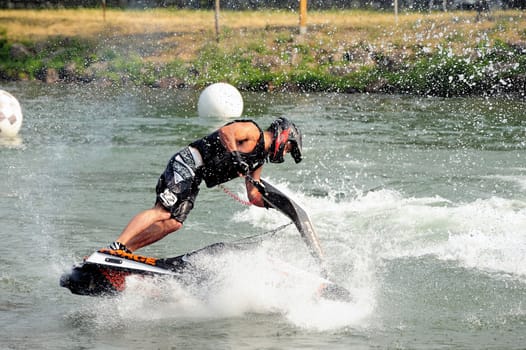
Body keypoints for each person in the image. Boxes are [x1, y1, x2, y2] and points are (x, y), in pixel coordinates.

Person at [107, 117, 302, 253]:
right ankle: (116, 245)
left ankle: (126, 251)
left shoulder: (258, 161)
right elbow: (226, 132)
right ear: (283, 136)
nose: (285, 153)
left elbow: (253, 194)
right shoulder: (252, 131)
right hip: (188, 162)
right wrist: (235, 156)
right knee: (162, 211)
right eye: (289, 148)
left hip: (196, 176)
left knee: (173, 223)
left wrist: (275, 204)